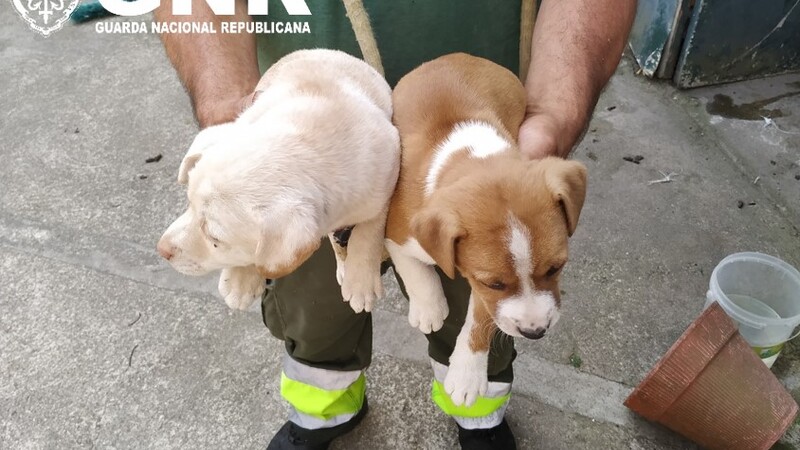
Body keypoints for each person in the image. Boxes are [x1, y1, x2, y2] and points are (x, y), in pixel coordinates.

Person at [155, 1, 636, 449]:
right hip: (304, 146)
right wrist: (229, 110)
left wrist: (553, 113)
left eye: (556, 269)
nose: (540, 317)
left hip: (476, 133)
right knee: (313, 303)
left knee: (477, 302)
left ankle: (478, 412)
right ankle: (323, 409)